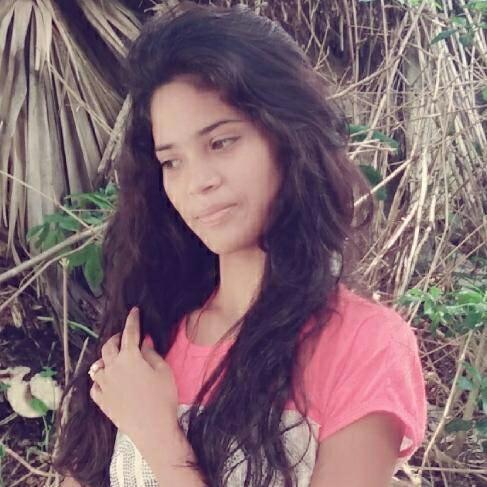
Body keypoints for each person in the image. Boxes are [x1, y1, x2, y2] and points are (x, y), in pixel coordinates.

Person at [53, 2, 427, 486]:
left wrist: (161, 441)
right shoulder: (146, 331)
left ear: (287, 137)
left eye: (221, 142)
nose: (197, 182)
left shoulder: (365, 346)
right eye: (172, 162)